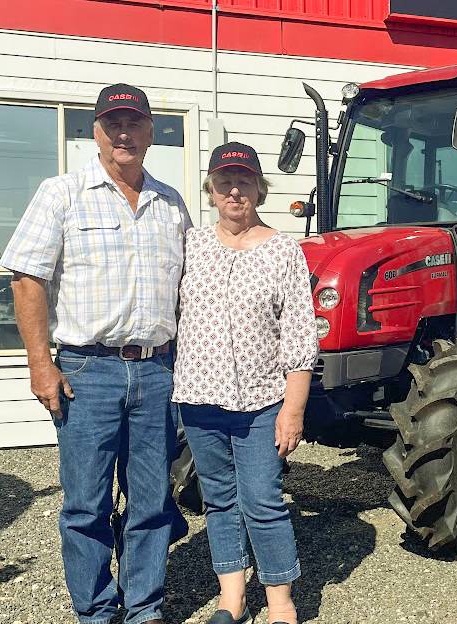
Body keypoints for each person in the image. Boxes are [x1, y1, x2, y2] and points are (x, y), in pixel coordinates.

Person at [1, 83, 191, 624]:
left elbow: (189, 290)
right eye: (113, 124)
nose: (124, 133)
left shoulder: (170, 205)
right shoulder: (61, 194)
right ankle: (95, 611)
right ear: (97, 132)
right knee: (87, 505)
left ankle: (144, 609)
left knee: (152, 503)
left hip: (157, 370)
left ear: (152, 132)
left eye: (134, 123)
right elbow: (26, 279)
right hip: (87, 372)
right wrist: (42, 364)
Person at [172, 142, 319, 624]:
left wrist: (292, 410)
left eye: (244, 181)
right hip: (199, 400)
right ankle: (231, 599)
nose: (235, 191)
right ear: (211, 190)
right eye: (224, 182)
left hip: (260, 404)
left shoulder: (283, 251)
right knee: (218, 499)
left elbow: (299, 335)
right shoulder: (191, 244)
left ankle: (281, 603)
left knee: (262, 500)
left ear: (259, 187)